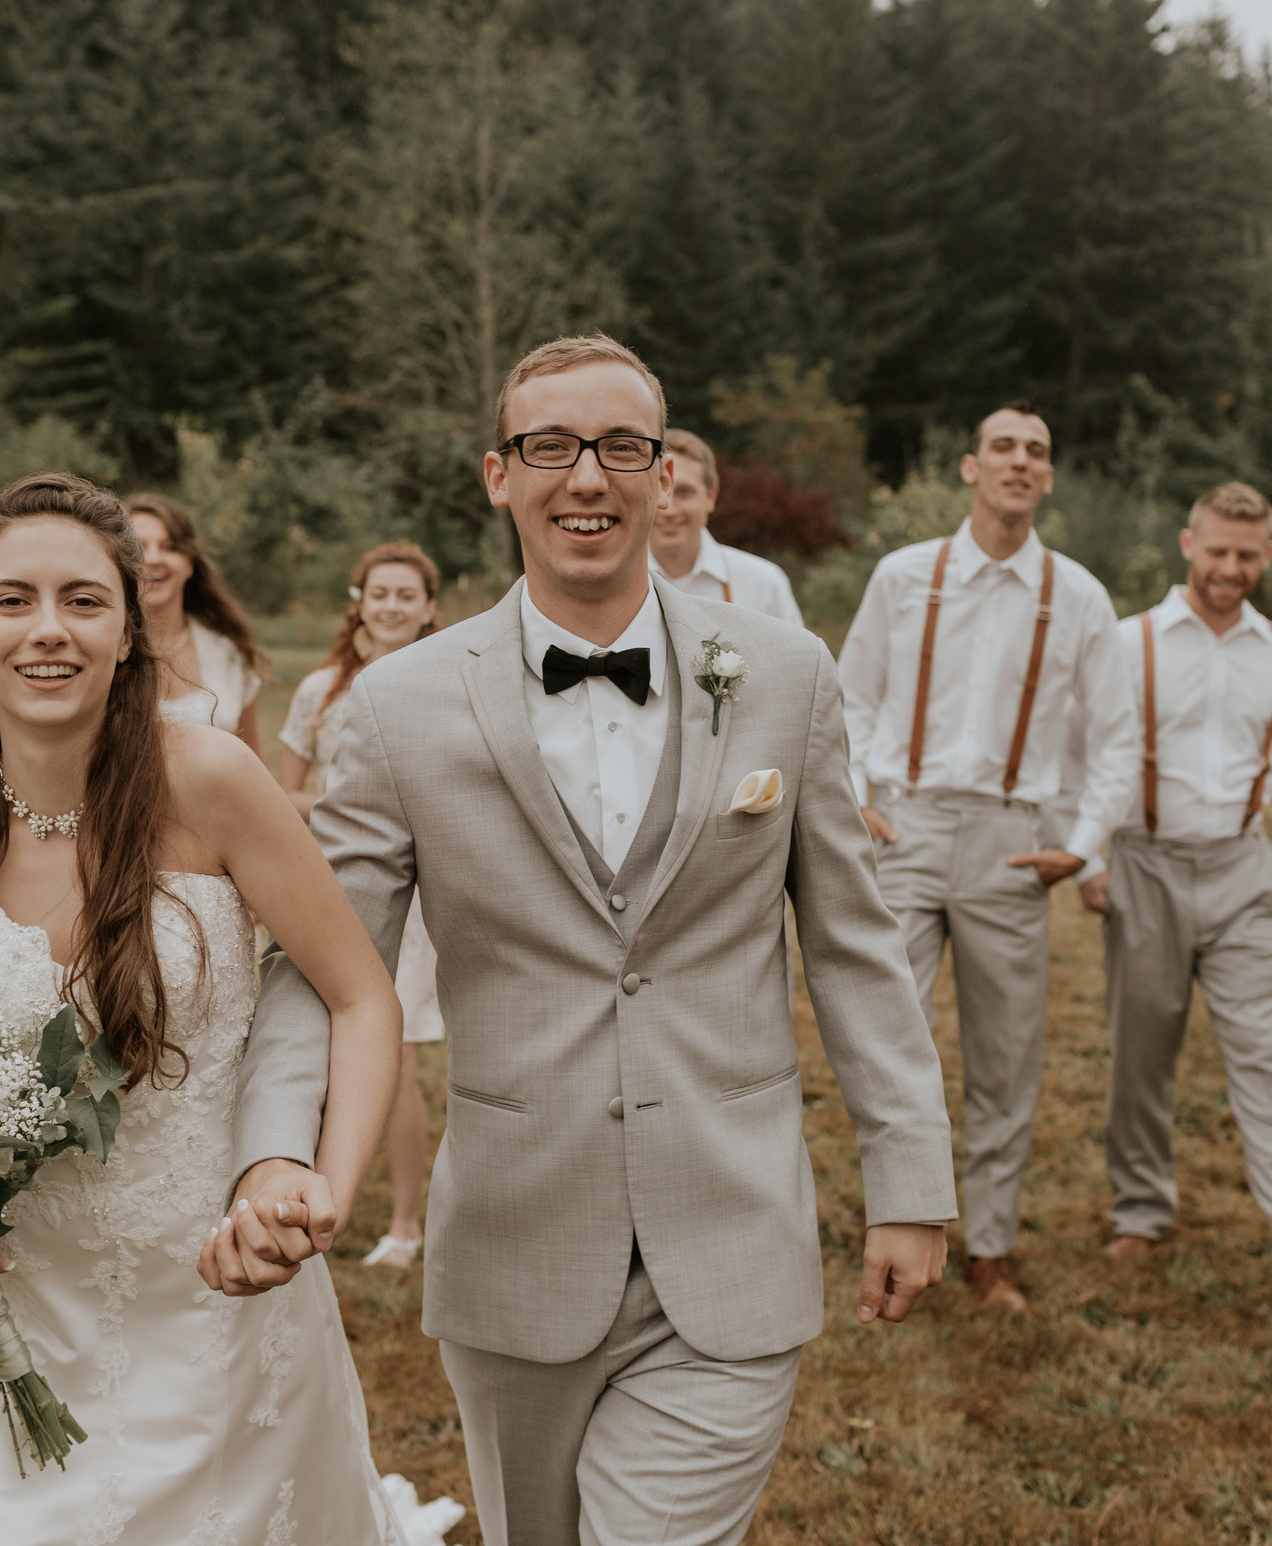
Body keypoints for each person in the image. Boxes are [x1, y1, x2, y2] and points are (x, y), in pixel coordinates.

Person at [209, 335, 959, 1546]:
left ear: (665, 477)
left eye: (621, 447)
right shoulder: (396, 708)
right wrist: (269, 1155)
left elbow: (856, 947)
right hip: (512, 1245)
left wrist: (911, 1177)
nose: (588, 478)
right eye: (550, 447)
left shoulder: (781, 673)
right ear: (497, 475)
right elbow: (320, 966)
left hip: (733, 1236)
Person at [0, 475, 453, 1543]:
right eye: (11, 600)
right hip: (15, 1318)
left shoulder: (208, 777)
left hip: (219, 1296)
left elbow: (359, 995)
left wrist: (313, 1192)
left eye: (82, 600)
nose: (47, 630)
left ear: (129, 626)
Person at [836, 401, 1136, 1313]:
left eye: (1036, 452)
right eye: (1002, 447)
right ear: (971, 467)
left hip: (1015, 838)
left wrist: (1078, 849)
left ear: (1047, 478)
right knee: (892, 1038)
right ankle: (899, 1219)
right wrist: (858, 801)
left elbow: (1117, 739)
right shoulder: (903, 576)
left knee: (1006, 1054)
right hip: (910, 825)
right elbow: (849, 699)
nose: (1018, 462)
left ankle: (991, 1246)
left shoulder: (1079, 596)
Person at [1073, 483, 1272, 1308]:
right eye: (1217, 551)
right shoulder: (1126, 643)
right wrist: (1088, 855)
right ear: (1187, 544)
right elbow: (1084, 753)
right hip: (1144, 863)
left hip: (1247, 871)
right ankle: (1140, 1210)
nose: (1231, 569)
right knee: (1142, 1054)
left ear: (1268, 556)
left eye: (1248, 555)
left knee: (1266, 1061)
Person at [278, 542, 447, 1268]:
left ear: (429, 607)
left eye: (406, 595)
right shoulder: (319, 691)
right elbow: (283, 797)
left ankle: (406, 1223)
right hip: (326, 884)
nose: (391, 606)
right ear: (361, 601)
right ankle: (302, 1191)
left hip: (416, 893)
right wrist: (340, 810)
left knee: (397, 1052)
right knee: (309, 1041)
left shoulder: (449, 685)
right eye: (380, 593)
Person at [128, 493, 266, 753]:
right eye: (138, 548)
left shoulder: (229, 652)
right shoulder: (103, 649)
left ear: (190, 564)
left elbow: (254, 763)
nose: (154, 558)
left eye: (170, 547)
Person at [648, 427, 804, 623]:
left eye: (684, 492)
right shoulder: (613, 583)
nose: (669, 510)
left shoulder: (764, 584)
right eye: (657, 491)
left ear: (711, 496)